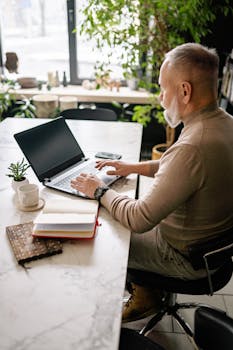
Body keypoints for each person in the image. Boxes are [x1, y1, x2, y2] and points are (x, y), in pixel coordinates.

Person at [71, 43, 233, 323]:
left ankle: (119, 307)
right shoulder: (224, 123)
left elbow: (139, 218)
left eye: (163, 88)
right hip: (214, 253)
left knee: (104, 233)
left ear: (184, 91)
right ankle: (147, 293)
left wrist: (98, 189)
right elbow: (182, 167)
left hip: (185, 259)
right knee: (114, 211)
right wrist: (131, 167)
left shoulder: (193, 144)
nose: (160, 97)